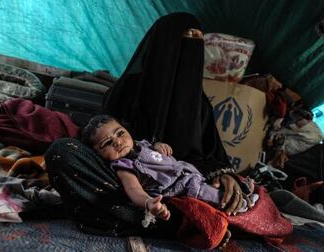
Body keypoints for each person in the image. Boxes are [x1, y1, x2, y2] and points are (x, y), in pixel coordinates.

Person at [45, 12, 249, 238]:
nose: (186, 55)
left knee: (242, 191)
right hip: (127, 179)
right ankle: (176, 222)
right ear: (161, 47)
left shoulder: (199, 105)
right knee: (62, 152)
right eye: (180, 43)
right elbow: (101, 142)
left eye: (194, 46)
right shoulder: (128, 89)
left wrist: (224, 174)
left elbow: (211, 155)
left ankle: (182, 219)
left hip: (184, 184)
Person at [82, 114, 258, 223]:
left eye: (120, 133)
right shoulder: (123, 166)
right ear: (98, 154)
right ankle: (239, 206)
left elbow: (156, 155)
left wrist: (158, 146)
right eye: (107, 143)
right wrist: (148, 202)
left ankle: (244, 191)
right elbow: (133, 189)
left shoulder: (141, 144)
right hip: (177, 189)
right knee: (207, 195)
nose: (118, 142)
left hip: (187, 173)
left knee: (211, 184)